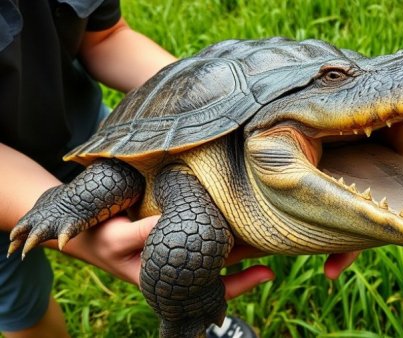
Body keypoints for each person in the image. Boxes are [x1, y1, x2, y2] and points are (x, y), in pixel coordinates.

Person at [0, 1, 359, 337]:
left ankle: (202, 313)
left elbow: (105, 36)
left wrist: (211, 102)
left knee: (151, 202)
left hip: (80, 127)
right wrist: (82, 232)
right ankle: (190, 314)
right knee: (25, 305)